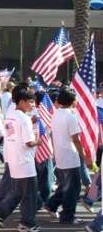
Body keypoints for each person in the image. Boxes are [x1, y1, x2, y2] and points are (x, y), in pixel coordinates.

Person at [0, 88, 42, 232]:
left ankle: (0, 211)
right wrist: (39, 142)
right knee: (29, 194)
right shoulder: (24, 118)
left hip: (12, 158)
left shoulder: (10, 114)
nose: (33, 105)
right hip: (25, 161)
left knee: (19, 191)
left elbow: (15, 132)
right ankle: (27, 223)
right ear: (22, 101)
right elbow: (28, 142)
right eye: (31, 102)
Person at [44, 88, 89, 224]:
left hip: (60, 154)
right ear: (72, 101)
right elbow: (76, 139)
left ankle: (52, 204)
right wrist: (84, 155)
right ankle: (67, 216)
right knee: (73, 189)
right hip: (70, 156)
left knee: (65, 185)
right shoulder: (70, 116)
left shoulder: (57, 114)